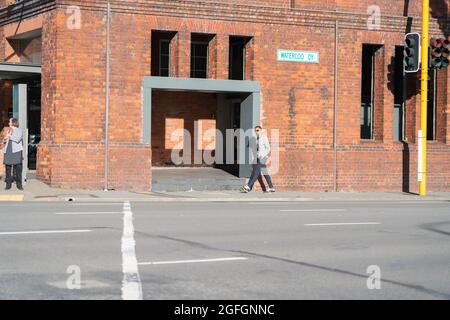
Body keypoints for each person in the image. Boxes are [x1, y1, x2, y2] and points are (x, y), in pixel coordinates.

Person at [240, 125, 275, 193]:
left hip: (263, 157)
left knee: (256, 172)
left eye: (258, 130)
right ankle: (271, 187)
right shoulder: (257, 138)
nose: (256, 132)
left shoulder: (264, 137)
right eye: (255, 131)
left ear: (261, 130)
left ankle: (248, 186)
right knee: (265, 173)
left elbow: (268, 148)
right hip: (259, 157)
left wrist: (262, 155)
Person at [3, 118, 24, 190]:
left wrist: (9, 136)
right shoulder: (9, 130)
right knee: (7, 168)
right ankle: (8, 185)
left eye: (10, 122)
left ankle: (19, 185)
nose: (9, 123)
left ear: (13, 123)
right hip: (8, 150)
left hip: (16, 151)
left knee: (18, 168)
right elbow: (5, 140)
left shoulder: (19, 130)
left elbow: (17, 139)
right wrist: (5, 139)